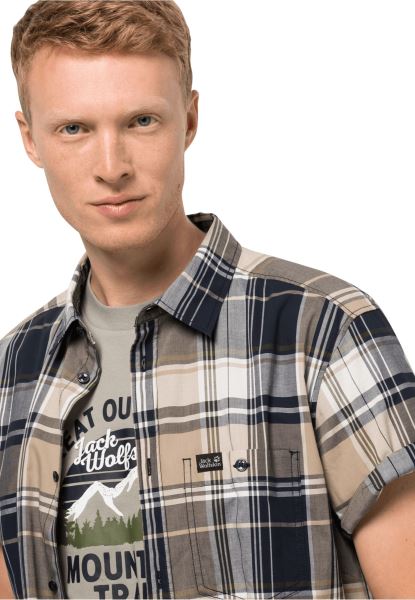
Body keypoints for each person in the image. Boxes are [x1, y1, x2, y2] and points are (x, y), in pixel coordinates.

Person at [1, 0, 415, 598]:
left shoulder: (321, 331)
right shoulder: (13, 370)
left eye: (142, 121)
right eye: (75, 129)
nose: (111, 166)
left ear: (189, 120)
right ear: (30, 138)